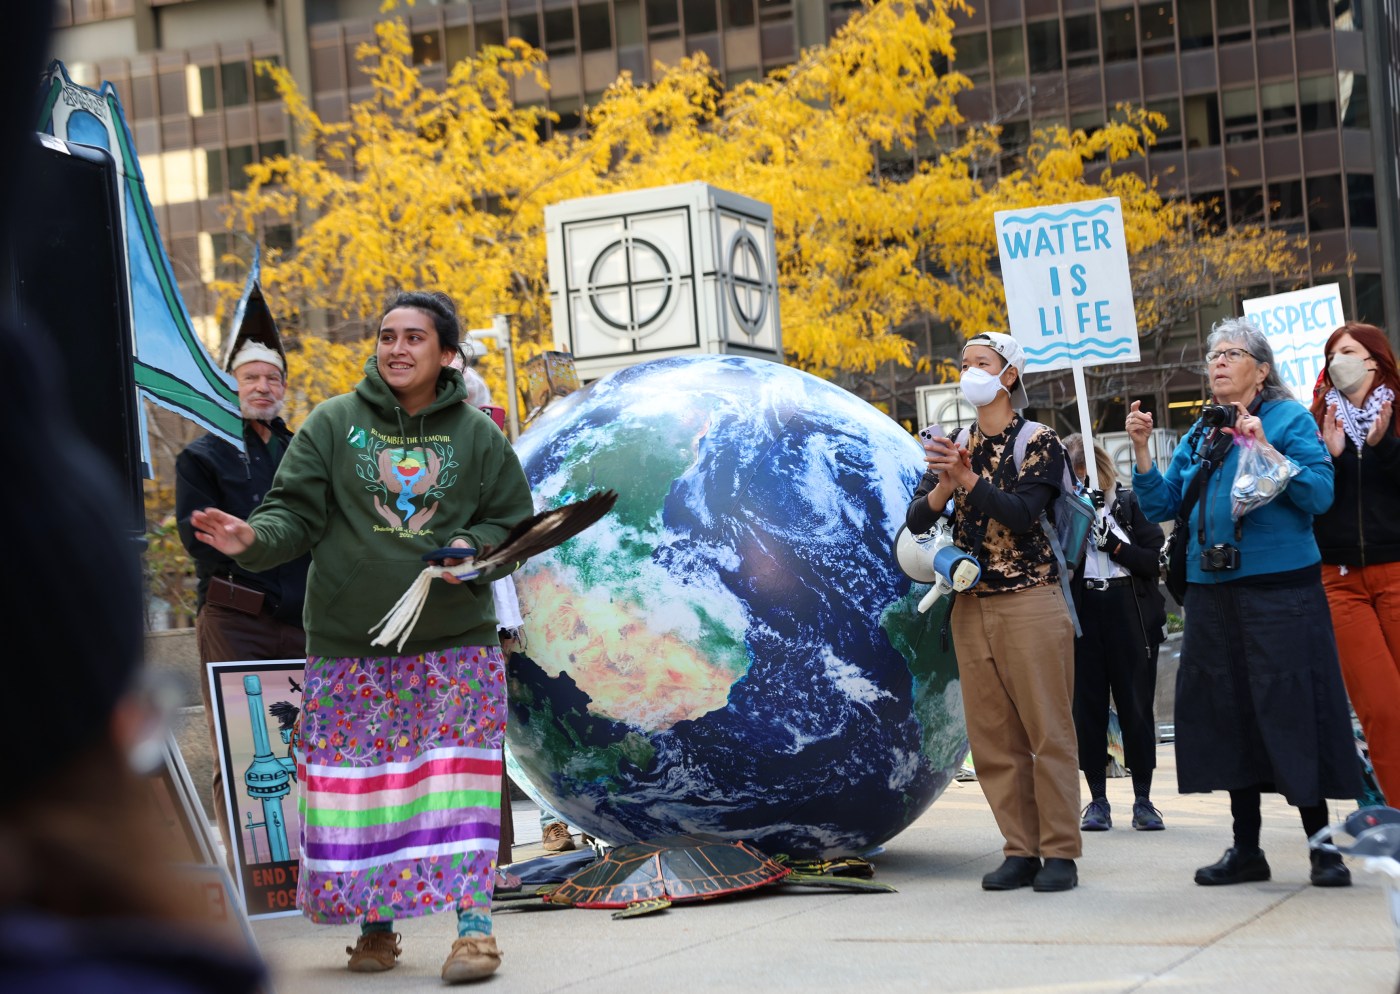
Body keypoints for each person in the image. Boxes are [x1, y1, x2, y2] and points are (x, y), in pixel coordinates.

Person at [192, 291, 534, 982]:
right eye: (387, 336)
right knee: (361, 791)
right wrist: (253, 538)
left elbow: (511, 524)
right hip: (352, 647)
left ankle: (474, 932)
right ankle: (376, 928)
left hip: (454, 645)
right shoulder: (332, 423)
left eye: (414, 337)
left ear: (446, 354)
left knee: (459, 789)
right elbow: (292, 513)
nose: (398, 348)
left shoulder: (478, 435)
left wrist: (470, 544)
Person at [1127, 316, 1360, 888]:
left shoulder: (1286, 419)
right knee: (1229, 717)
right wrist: (1141, 452)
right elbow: (1162, 504)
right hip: (1211, 594)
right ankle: (1246, 848)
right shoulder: (1202, 431)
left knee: (1293, 710)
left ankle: (1322, 848)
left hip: (1280, 593)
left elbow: (1320, 494)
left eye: (1232, 354)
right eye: (1213, 355)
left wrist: (1264, 449)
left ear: (1261, 368)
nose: (1218, 363)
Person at [906, 332, 1081, 893]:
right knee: (992, 737)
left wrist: (966, 479)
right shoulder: (955, 441)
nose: (969, 372)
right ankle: (1020, 849)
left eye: (981, 363)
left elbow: (1023, 513)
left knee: (1047, 729)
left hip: (1030, 598)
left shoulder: (1039, 440)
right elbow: (916, 520)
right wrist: (941, 484)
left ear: (1008, 375)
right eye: (963, 364)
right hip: (969, 602)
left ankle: (1059, 852)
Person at [176, 294, 310, 857]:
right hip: (236, 619)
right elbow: (196, 543)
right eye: (250, 377)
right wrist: (254, 539)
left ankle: (310, 854)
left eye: (272, 378)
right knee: (238, 742)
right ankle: (249, 865)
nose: (262, 387)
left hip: (305, 620)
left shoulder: (303, 450)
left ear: (283, 387)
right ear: (231, 386)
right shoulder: (200, 456)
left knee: (307, 739)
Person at [1310, 322, 1400, 804]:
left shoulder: (1397, 413)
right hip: (1340, 582)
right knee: (1382, 708)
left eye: (1347, 351)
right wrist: (1334, 460)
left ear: (1374, 360)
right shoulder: (1318, 420)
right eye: (1330, 353)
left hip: (1397, 572)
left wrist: (1385, 447)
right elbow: (1312, 503)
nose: (1336, 360)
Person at [1062, 435, 1167, 833]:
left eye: (1086, 474)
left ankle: (1143, 799)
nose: (1082, 484)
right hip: (1086, 611)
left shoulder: (1127, 504)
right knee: (1086, 712)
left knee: (1135, 707)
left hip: (1128, 610)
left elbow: (1156, 560)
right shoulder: (1063, 512)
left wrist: (1117, 547)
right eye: (1074, 477)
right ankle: (1097, 802)